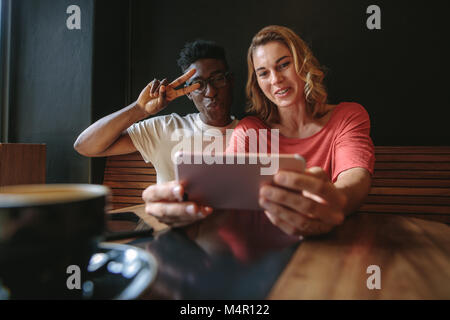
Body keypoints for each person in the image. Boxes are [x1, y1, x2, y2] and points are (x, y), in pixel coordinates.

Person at [226, 25, 375, 237]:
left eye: (284, 64)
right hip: (263, 245)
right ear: (257, 83)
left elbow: (355, 177)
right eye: (264, 73)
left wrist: (337, 200)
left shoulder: (347, 117)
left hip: (331, 243)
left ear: (302, 64)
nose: (276, 79)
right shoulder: (250, 130)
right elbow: (229, 193)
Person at [74, 40, 239, 226]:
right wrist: (139, 110)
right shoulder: (166, 127)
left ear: (230, 81)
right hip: (171, 236)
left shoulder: (253, 132)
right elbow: (85, 146)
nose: (210, 92)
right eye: (198, 85)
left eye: (218, 79)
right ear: (188, 93)